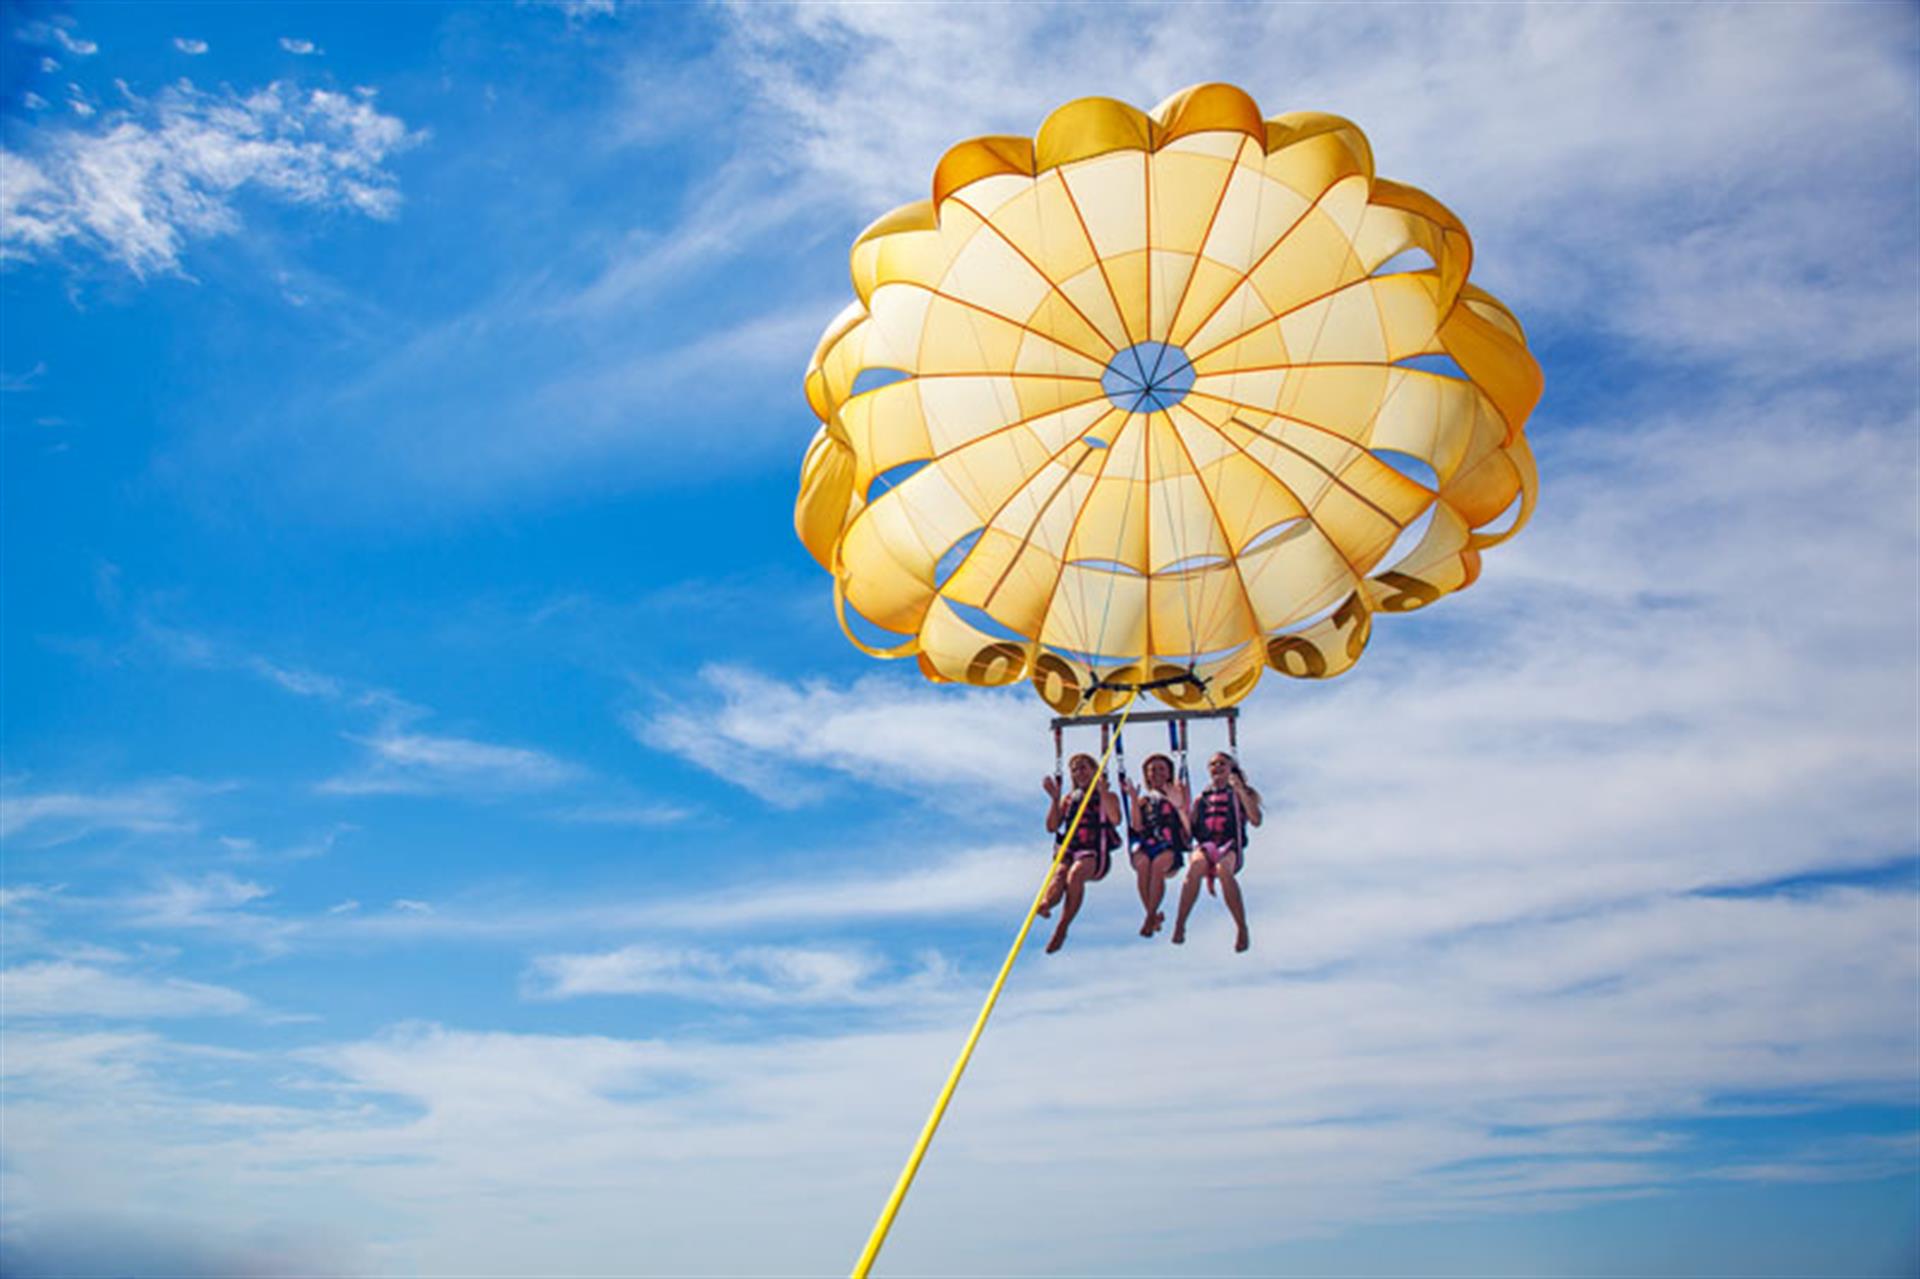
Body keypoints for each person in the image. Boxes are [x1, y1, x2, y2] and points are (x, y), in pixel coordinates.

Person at [1171, 752, 1262, 952]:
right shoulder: (1202, 798)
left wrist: (1239, 789)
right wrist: (1179, 807)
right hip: (1206, 844)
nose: (1217, 767)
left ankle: (1241, 927)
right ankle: (1180, 924)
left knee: (1223, 870)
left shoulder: (1241, 794)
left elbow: (1256, 820)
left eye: (1222, 763)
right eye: (1213, 764)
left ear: (1231, 768)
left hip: (1229, 846)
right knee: (1195, 868)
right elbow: (1189, 832)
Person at [1039, 753, 1121, 953]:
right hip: (1070, 849)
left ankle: (1062, 926)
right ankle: (1046, 904)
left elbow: (1116, 819)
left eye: (1083, 767)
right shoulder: (1068, 799)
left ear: (1094, 770)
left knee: (1075, 875)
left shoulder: (1107, 796)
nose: (1079, 772)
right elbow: (1051, 827)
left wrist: (1102, 793)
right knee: (1059, 875)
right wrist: (1055, 799)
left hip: (1094, 852)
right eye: (1075, 769)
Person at [1120, 753, 1189, 938]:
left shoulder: (1177, 792)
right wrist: (1133, 799)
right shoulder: (1145, 800)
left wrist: (1178, 802)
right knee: (1143, 865)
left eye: (1161, 769)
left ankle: (1150, 916)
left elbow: (1187, 819)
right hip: (1148, 844)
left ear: (1169, 773)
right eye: (1152, 770)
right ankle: (1151, 914)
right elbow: (1137, 826)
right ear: (1147, 775)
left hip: (1169, 847)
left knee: (1157, 865)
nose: (1157, 773)